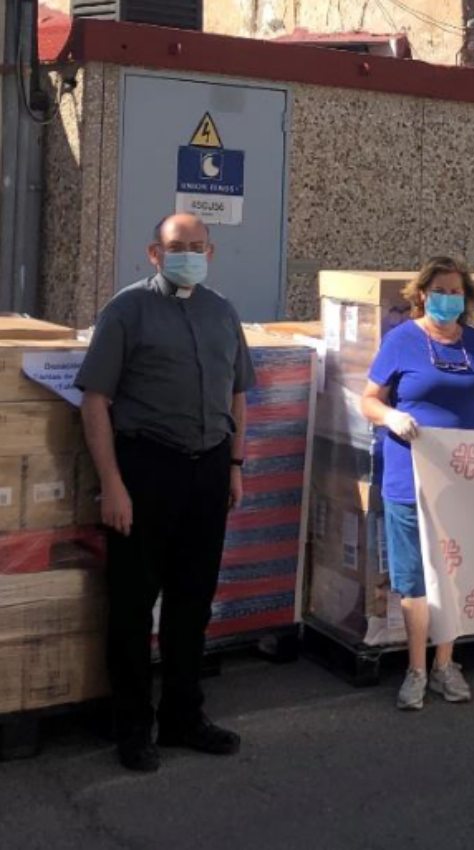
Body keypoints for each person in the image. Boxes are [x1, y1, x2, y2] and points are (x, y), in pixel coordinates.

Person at [76, 213, 253, 773]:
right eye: (178, 247)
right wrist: (113, 485)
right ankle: (132, 726)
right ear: (155, 252)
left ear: (211, 251)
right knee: (132, 606)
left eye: (198, 247)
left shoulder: (222, 312)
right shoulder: (126, 311)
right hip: (146, 471)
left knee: (192, 602)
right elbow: (95, 401)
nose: (189, 255)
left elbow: (238, 395)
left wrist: (235, 464)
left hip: (206, 473)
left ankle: (183, 715)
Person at [361, 256, 474, 709]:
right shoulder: (401, 341)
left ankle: (446, 664)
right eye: (441, 290)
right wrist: (391, 416)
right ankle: (414, 669)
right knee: (413, 579)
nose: (449, 298)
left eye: (456, 291)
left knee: (453, 572)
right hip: (409, 475)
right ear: (423, 293)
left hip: (460, 478)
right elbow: (370, 399)